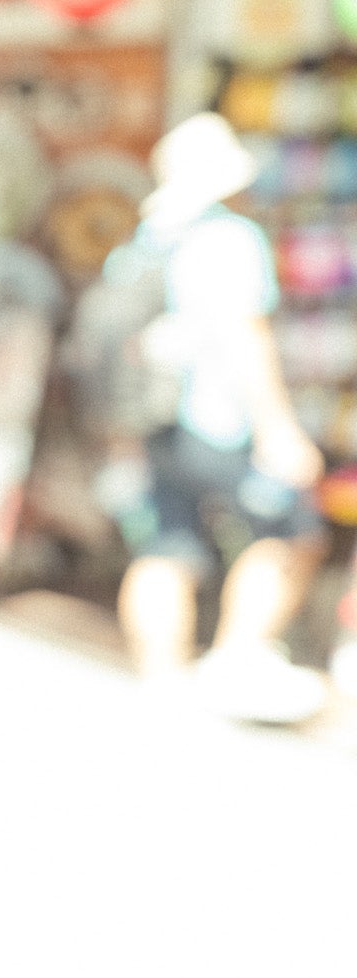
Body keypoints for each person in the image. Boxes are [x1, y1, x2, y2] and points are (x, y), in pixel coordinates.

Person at [115, 113, 329, 723]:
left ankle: (162, 681)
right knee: (287, 534)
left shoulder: (145, 241)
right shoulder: (230, 238)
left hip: (153, 422)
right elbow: (244, 339)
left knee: (164, 546)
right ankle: (238, 657)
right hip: (219, 420)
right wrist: (279, 429)